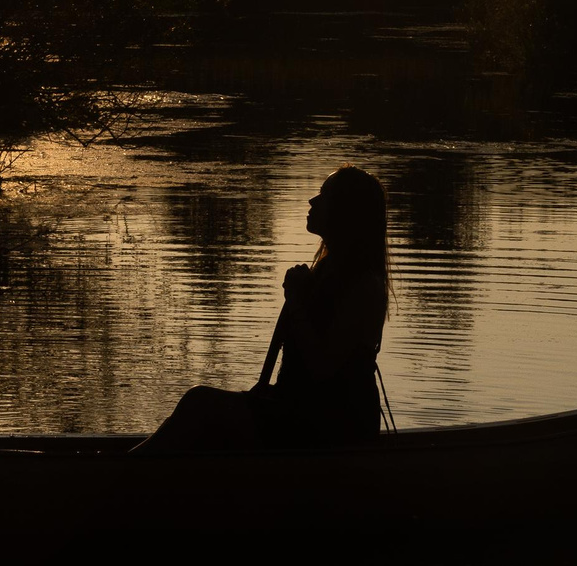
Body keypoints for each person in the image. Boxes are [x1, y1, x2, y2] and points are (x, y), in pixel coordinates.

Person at [136, 165, 390, 451]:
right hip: (300, 412)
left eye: (324, 196)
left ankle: (121, 473)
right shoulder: (325, 272)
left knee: (200, 402)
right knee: (204, 417)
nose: (312, 202)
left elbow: (322, 368)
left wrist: (295, 301)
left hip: (335, 426)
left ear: (345, 212)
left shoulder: (364, 286)